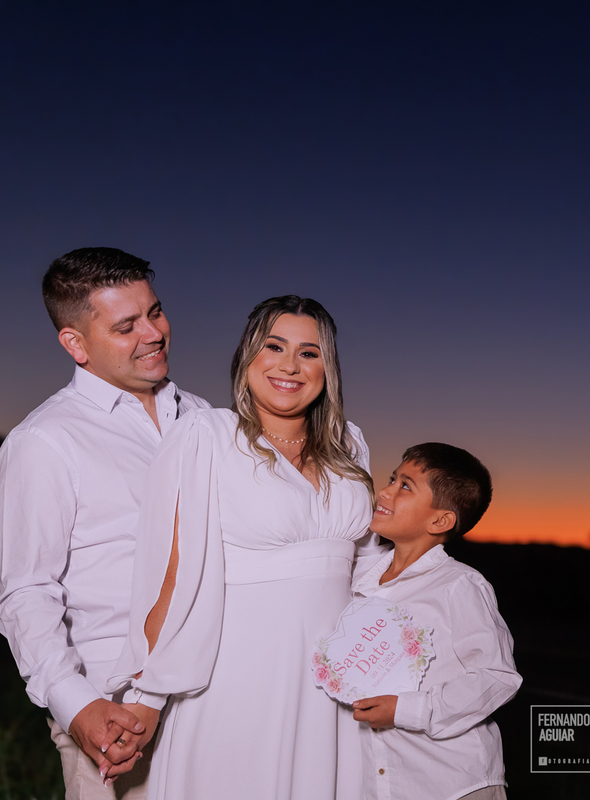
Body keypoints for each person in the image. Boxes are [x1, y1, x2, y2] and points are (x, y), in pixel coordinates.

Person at [106, 296, 382, 800]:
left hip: (335, 684)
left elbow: (368, 571)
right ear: (247, 356)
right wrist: (146, 694)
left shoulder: (350, 445)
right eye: (274, 346)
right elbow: (171, 574)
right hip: (236, 676)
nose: (289, 366)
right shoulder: (205, 436)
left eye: (309, 353)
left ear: (328, 369)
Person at [0, 247, 212, 797]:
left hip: (218, 696)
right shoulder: (44, 442)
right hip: (114, 711)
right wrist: (78, 705)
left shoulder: (204, 419)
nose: (154, 333)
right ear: (75, 343)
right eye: (126, 326)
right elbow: (25, 592)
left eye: (155, 312)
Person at [348, 443, 522, 800]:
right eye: (393, 478)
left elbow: (497, 678)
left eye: (405, 486)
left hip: (453, 784)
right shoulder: (358, 582)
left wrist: (406, 710)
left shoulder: (459, 585)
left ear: (440, 520)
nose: (386, 490)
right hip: (381, 787)